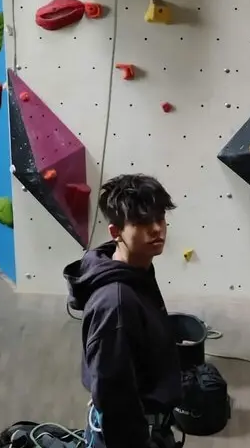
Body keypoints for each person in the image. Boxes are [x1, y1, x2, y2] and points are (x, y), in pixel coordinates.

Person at [63, 174, 182, 448]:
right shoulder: (115, 304)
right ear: (115, 232)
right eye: (141, 222)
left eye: (160, 218)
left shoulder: (136, 268)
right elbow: (114, 398)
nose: (157, 229)